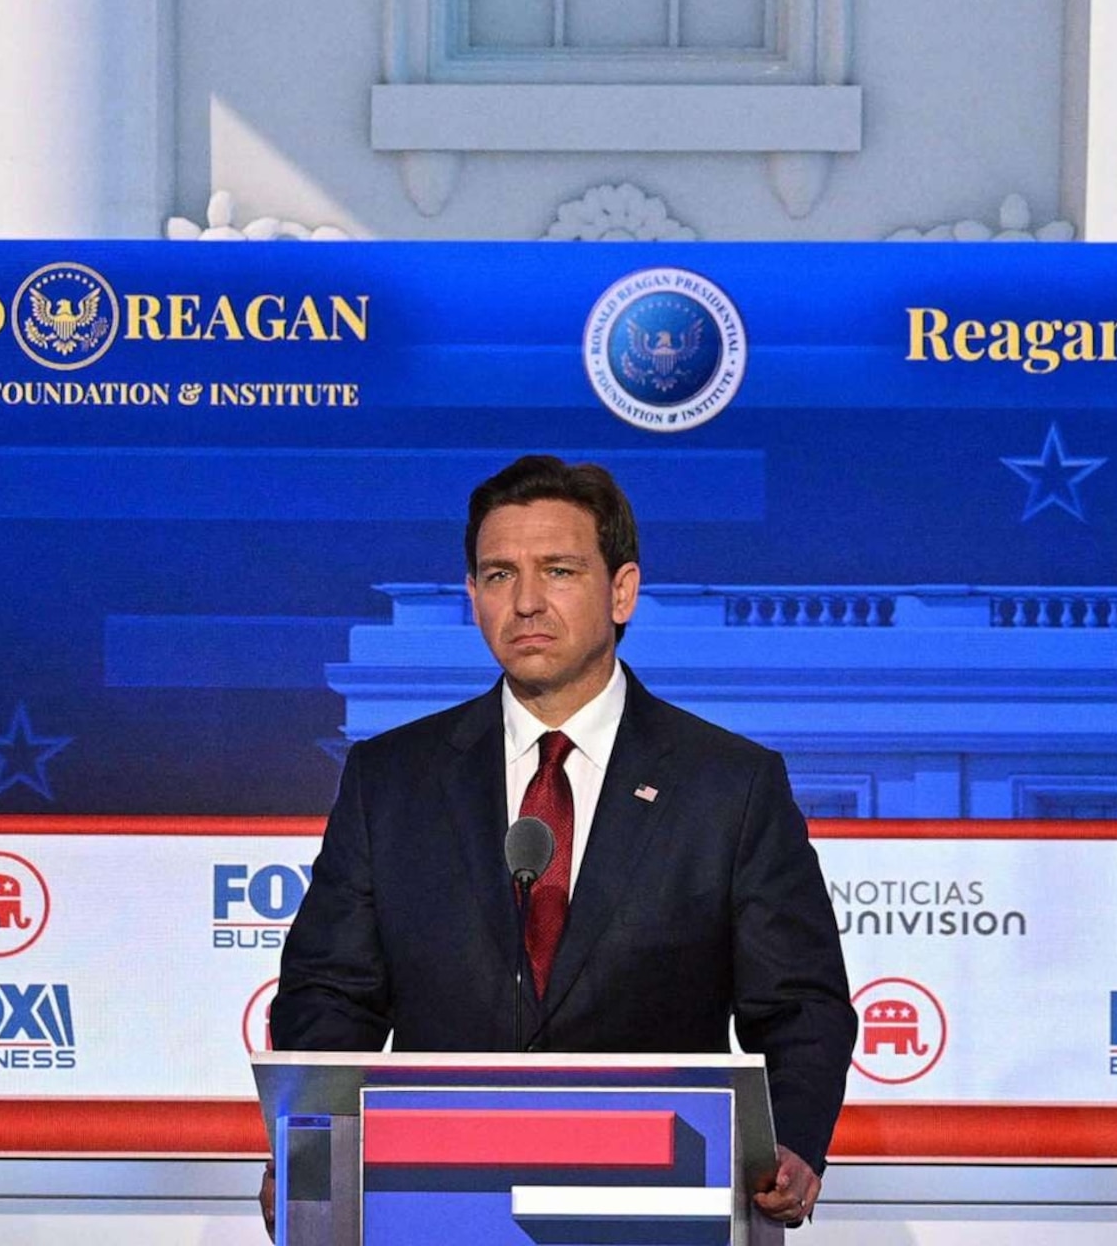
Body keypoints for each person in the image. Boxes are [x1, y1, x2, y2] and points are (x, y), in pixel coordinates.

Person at [266, 456, 855, 1230]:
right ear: (473, 597)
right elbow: (330, 995)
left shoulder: (729, 785)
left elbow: (800, 1004)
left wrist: (792, 1144)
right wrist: (309, 1153)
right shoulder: (392, 779)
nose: (528, 602)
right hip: (438, 1201)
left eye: (560, 570)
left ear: (622, 591)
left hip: (662, 1199)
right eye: (499, 575)